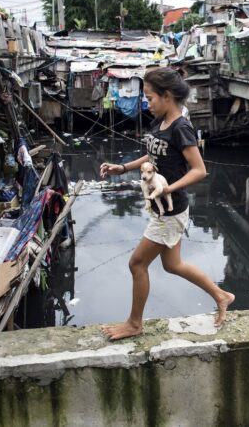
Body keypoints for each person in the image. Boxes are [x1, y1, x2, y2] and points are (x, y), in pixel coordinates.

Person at [99, 67, 235, 340]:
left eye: (150, 98)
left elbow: (199, 169)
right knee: (172, 265)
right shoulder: (158, 123)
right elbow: (151, 156)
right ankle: (221, 295)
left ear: (168, 95)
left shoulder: (180, 127)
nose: (146, 104)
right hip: (164, 209)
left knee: (137, 264)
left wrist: (167, 188)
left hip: (171, 210)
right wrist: (122, 168)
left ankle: (135, 324)